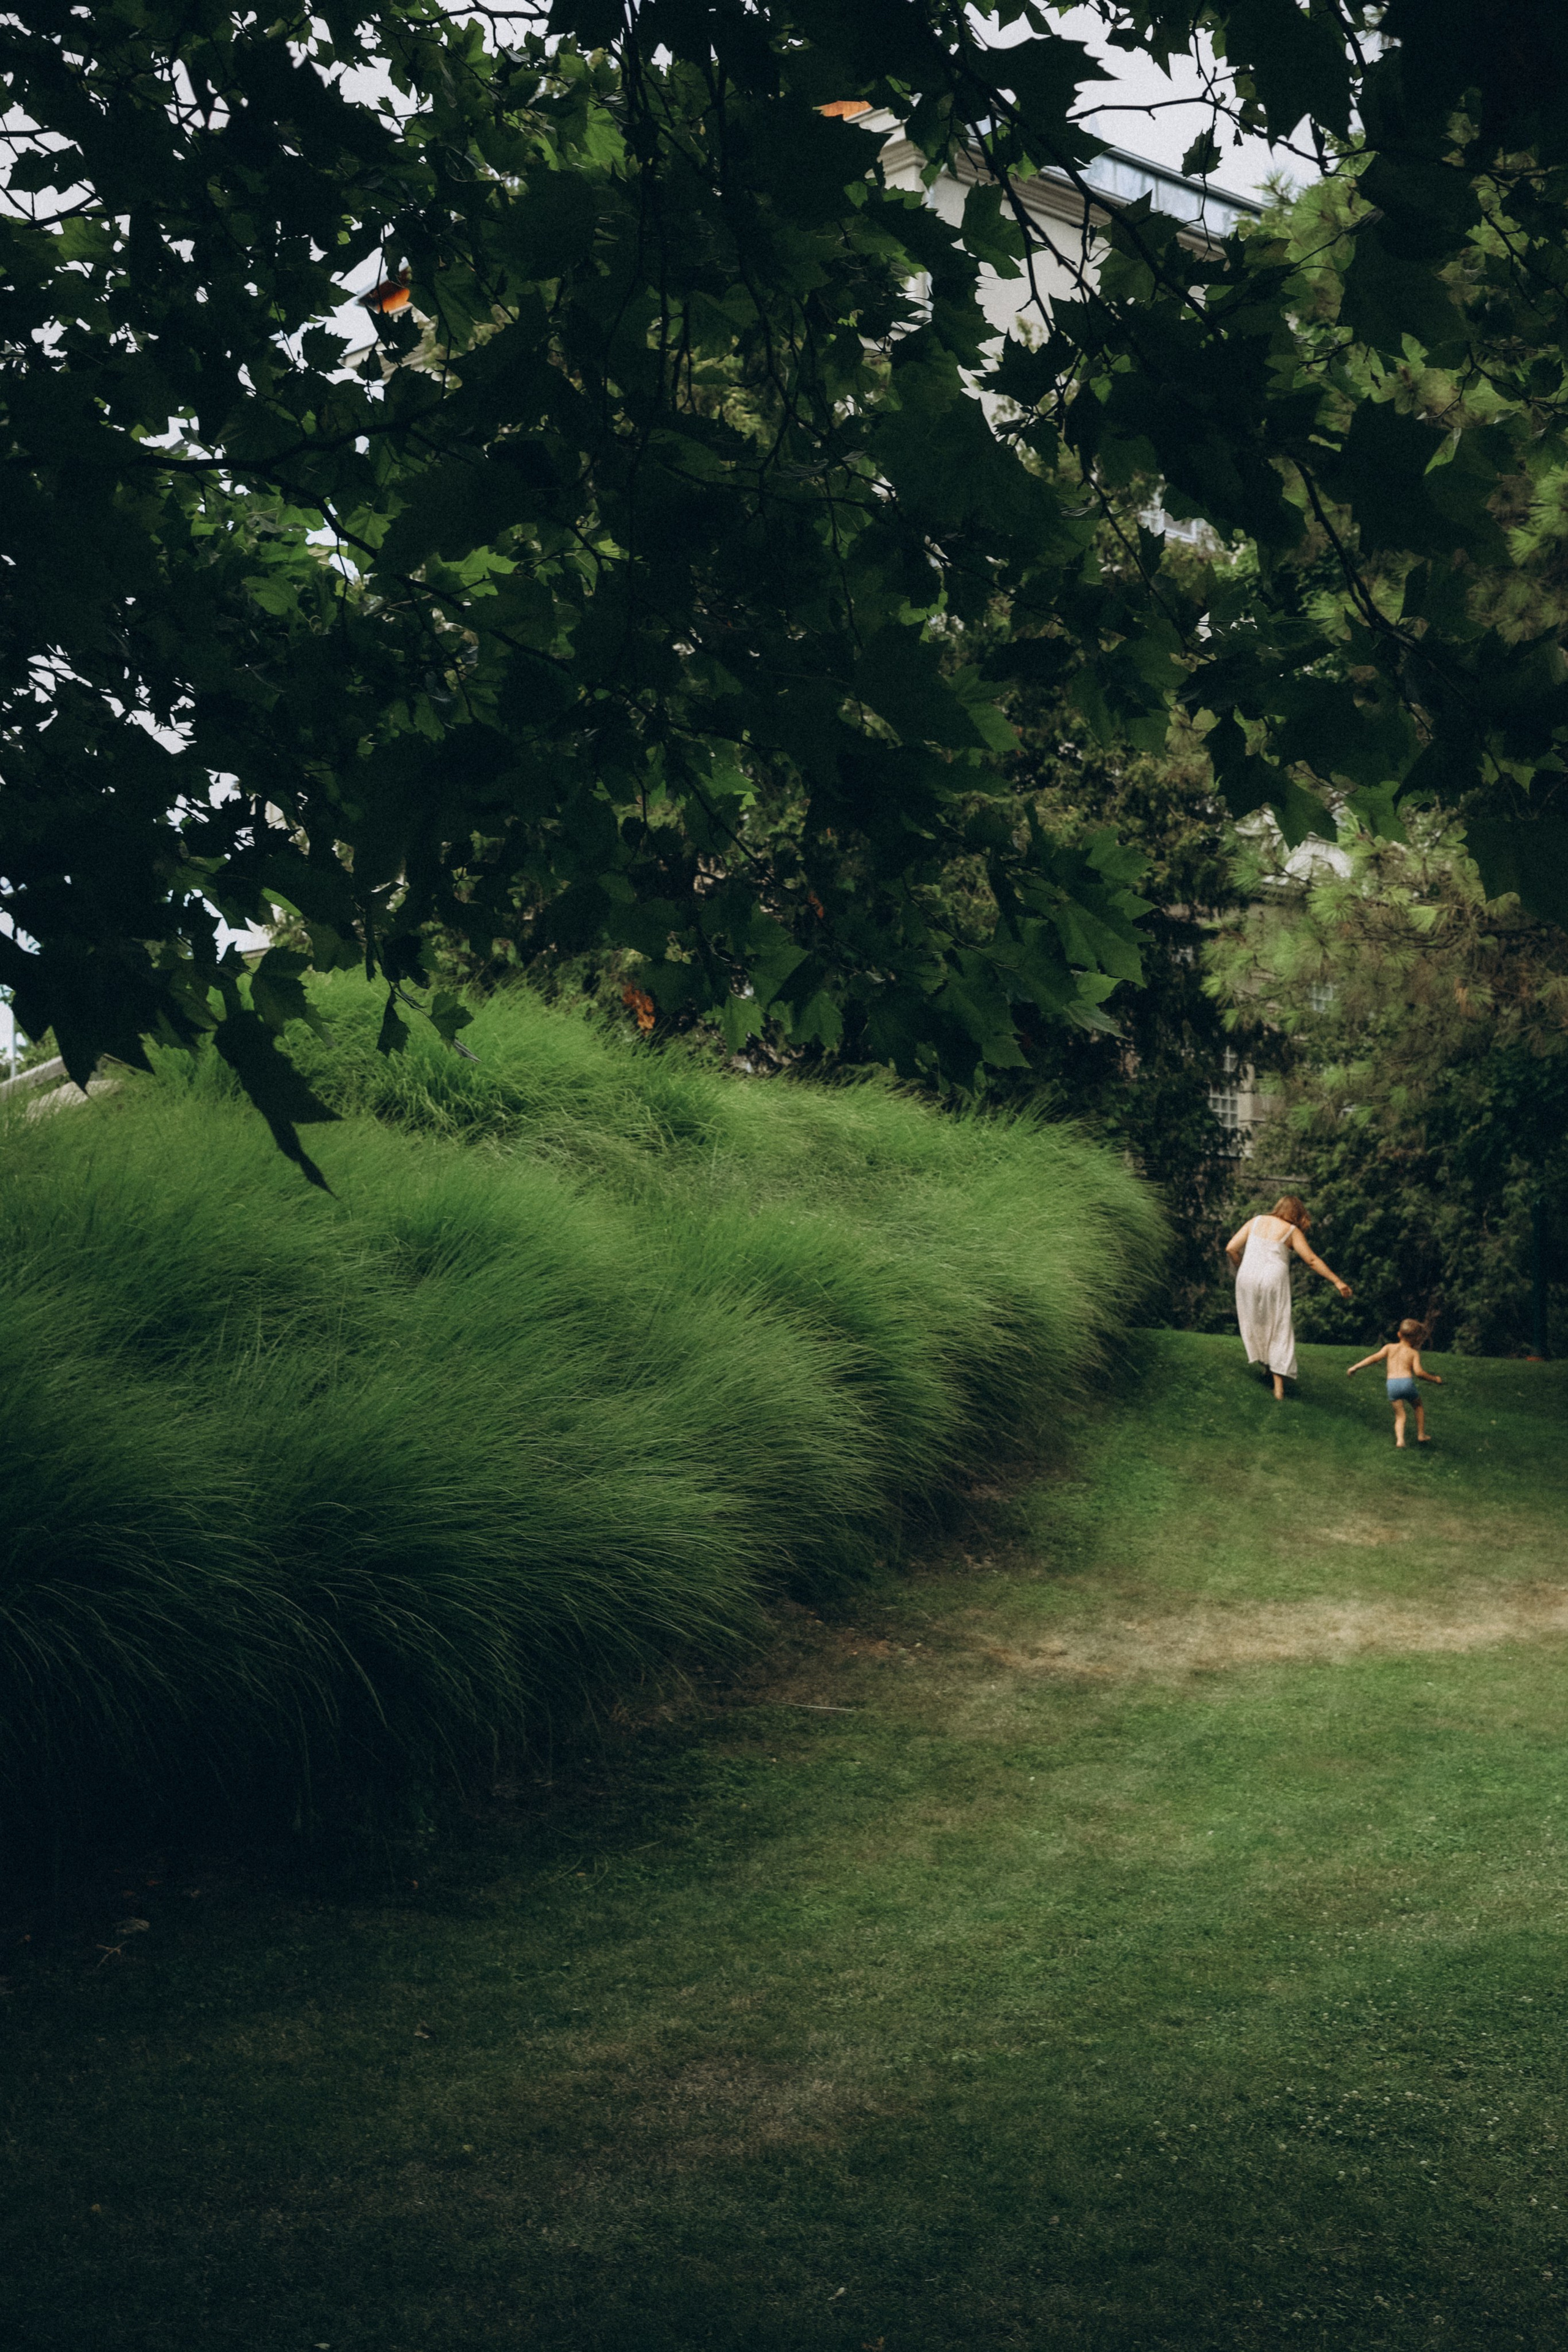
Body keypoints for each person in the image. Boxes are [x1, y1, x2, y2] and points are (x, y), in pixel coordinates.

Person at [1224, 1195, 1353, 1401]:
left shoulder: (1255, 1221)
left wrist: (1242, 1265)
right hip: (1273, 1279)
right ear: (1297, 1214)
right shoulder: (1292, 1231)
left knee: (1256, 1321)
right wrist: (1337, 1281)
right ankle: (1278, 1388)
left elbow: (1231, 1248)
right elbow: (1311, 1260)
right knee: (1279, 1326)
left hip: (1247, 1277)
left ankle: (1266, 1366)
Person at [1346, 1319, 1444, 1448]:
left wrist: (1355, 1367)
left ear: (1399, 1334)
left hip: (1392, 1384)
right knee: (1418, 1406)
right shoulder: (1413, 1353)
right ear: (1417, 1338)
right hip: (1407, 1383)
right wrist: (1435, 1379)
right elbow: (1419, 1373)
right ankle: (1421, 1434)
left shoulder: (1389, 1348)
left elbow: (1373, 1358)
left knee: (1400, 1415)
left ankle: (1400, 1441)